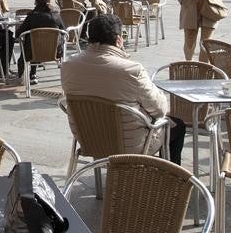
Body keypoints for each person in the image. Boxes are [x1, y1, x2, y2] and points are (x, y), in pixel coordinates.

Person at [60, 14, 185, 161]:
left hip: (90, 140)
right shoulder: (131, 70)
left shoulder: (68, 66)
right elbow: (159, 110)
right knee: (178, 125)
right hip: (129, 146)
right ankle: (166, 180)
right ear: (119, 40)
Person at [14, 0, 63, 83]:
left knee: (32, 44)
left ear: (36, 1)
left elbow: (18, 34)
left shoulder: (32, 16)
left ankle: (23, 76)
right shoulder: (56, 15)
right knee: (37, 44)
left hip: (33, 53)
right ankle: (33, 74)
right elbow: (64, 31)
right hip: (54, 52)